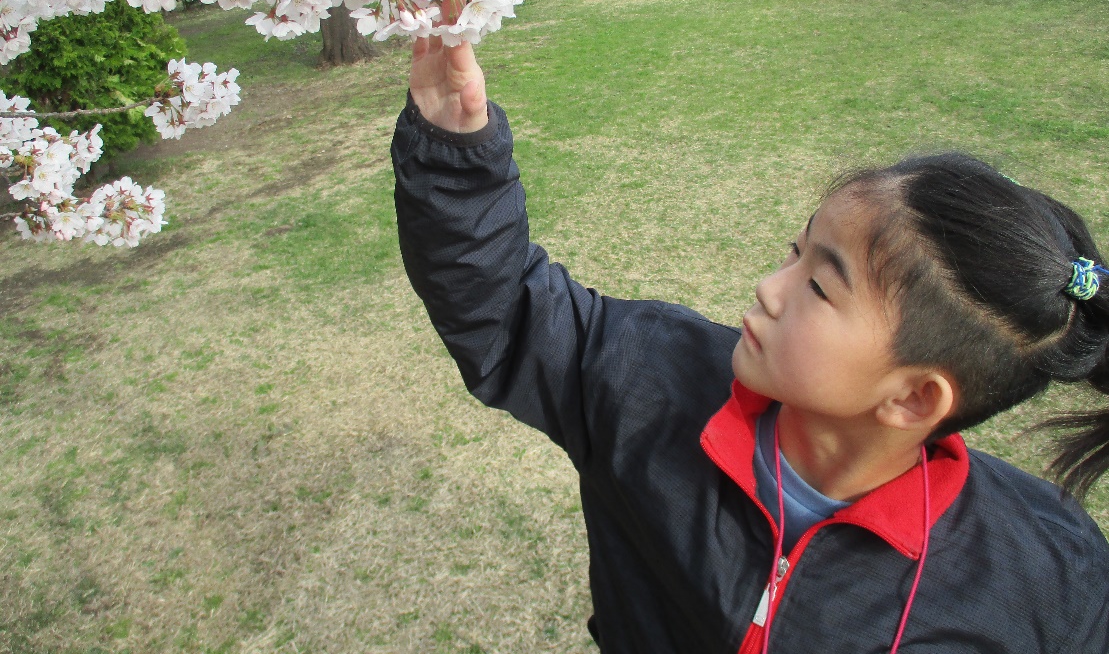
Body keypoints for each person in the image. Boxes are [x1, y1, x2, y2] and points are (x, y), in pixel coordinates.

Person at [393, 37, 1109, 654]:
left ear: (914, 397)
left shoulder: (1049, 576)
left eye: (819, 287)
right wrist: (456, 153)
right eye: (794, 253)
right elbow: (510, 311)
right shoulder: (647, 380)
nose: (770, 288)